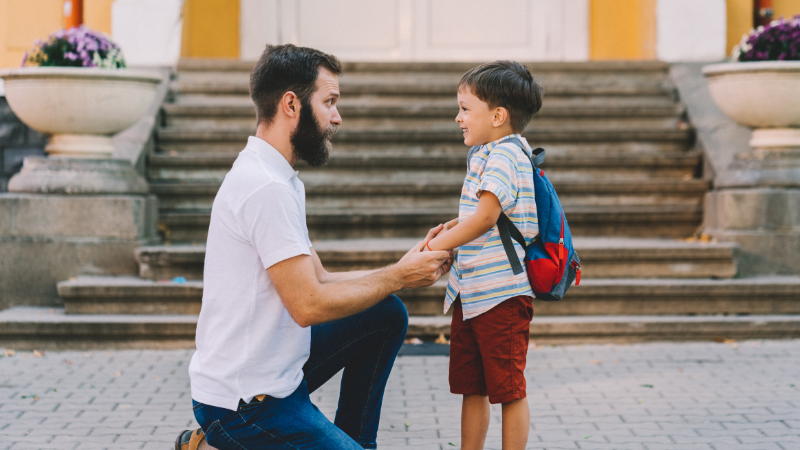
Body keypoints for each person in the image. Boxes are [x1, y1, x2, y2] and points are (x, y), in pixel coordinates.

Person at [175, 44, 452, 450]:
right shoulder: (265, 188)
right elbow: (309, 306)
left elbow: (319, 279)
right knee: (387, 294)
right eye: (329, 102)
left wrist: (402, 268)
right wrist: (398, 276)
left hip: (275, 373)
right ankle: (216, 440)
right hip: (244, 405)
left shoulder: (278, 177)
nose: (336, 117)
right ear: (291, 103)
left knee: (384, 311)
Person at [421, 61, 544, 450]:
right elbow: (480, 216)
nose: (458, 117)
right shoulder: (486, 152)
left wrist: (435, 247)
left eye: (464, 108)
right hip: (471, 292)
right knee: (471, 387)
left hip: (501, 295)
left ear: (498, 115)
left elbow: (487, 217)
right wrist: (448, 230)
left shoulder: (506, 155)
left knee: (508, 389)